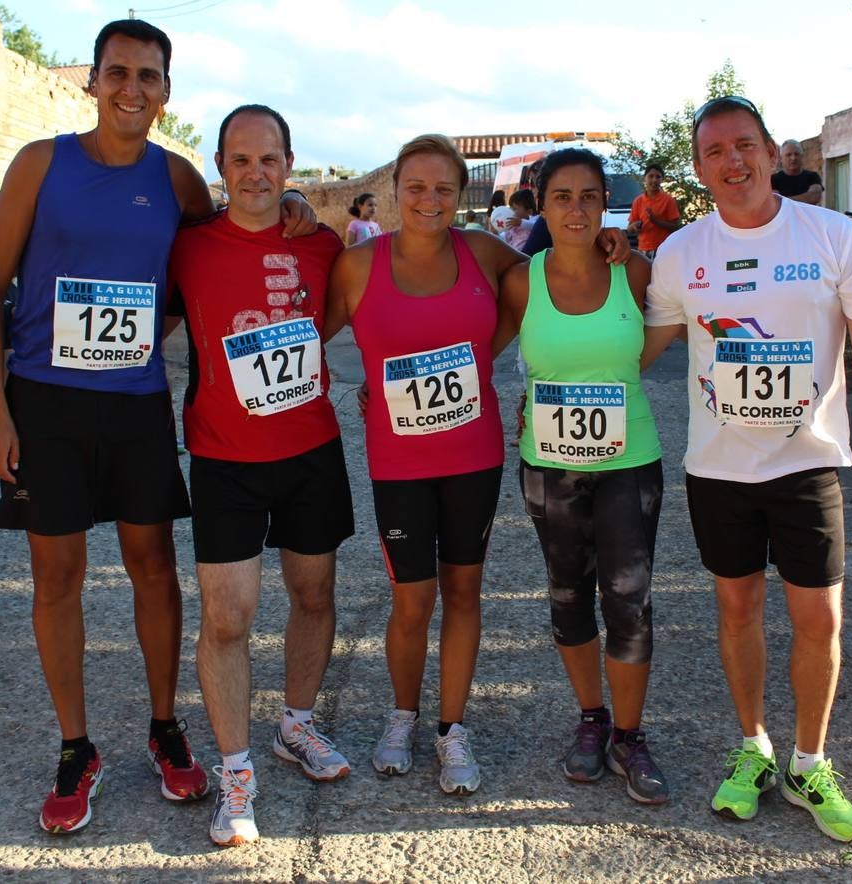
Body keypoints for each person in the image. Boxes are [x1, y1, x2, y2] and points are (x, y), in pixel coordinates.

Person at [0, 19, 317, 835]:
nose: (132, 88)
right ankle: (75, 747)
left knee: (152, 570)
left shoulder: (178, 179)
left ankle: (165, 727)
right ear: (92, 81)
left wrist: (289, 201)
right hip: (43, 402)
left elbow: (231, 235)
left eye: (149, 76)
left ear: (167, 90)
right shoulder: (39, 164)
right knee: (55, 578)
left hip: (135, 404)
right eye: (117, 72)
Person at [642, 96, 852, 842]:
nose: (733, 162)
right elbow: (644, 346)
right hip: (719, 469)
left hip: (807, 465)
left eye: (745, 145)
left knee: (817, 617)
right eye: (715, 152)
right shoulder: (680, 253)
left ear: (769, 151)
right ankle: (753, 746)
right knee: (736, 610)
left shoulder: (830, 236)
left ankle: (809, 761)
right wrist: (560, 391)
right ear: (699, 169)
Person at [168, 105, 354, 847]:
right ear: (220, 165)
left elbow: (338, 318)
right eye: (240, 160)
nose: (255, 173)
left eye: (268, 159)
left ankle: (297, 727)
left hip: (310, 450)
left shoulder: (323, 243)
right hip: (224, 459)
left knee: (314, 595)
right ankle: (235, 771)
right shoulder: (187, 248)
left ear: (288, 163)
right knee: (228, 617)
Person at [326, 134, 522, 796]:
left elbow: (547, 284)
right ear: (394, 191)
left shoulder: (485, 252)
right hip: (398, 463)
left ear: (459, 193)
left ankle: (451, 728)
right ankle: (402, 716)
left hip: (473, 454)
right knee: (412, 599)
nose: (429, 199)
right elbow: (304, 329)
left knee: (464, 591)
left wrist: (484, 354)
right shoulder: (358, 265)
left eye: (443, 188)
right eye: (415, 186)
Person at [494, 148, 668, 804]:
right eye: (561, 196)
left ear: (604, 203)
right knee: (568, 594)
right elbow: (474, 345)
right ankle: (591, 719)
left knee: (627, 596)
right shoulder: (520, 280)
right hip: (550, 466)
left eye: (588, 195)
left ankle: (629, 733)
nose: (575, 208)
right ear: (539, 205)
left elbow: (687, 316)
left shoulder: (635, 273)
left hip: (629, 464)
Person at [626, 163, 681, 258]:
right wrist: (635, 226)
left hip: (663, 249)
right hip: (642, 250)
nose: (654, 180)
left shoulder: (668, 200)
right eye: (651, 176)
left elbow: (676, 227)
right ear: (645, 178)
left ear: (662, 180)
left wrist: (655, 221)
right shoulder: (638, 201)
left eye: (658, 177)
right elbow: (629, 229)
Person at [771, 140, 823, 205]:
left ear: (802, 156)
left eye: (796, 154)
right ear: (781, 158)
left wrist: (784, 201)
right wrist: (806, 198)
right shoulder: (774, 179)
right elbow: (775, 201)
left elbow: (814, 197)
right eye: (788, 155)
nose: (793, 158)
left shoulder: (812, 176)